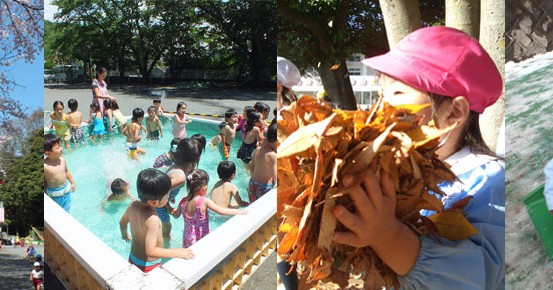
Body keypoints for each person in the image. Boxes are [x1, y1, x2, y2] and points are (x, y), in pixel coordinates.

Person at [329, 26, 504, 289]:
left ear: (454, 112)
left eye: (398, 93)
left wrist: (388, 236)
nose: (380, 107)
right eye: (381, 94)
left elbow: (482, 276)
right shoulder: (397, 173)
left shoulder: (489, 183)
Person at [119, 169, 194, 273]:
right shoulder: (153, 220)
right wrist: (177, 252)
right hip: (149, 266)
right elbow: (151, 251)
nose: (168, 199)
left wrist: (125, 235)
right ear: (154, 203)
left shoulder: (132, 205)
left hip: (132, 258)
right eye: (167, 197)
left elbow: (122, 223)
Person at [173, 169, 247, 247]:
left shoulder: (183, 201)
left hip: (187, 238)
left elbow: (175, 215)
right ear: (204, 189)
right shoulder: (204, 202)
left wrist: (166, 204)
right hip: (201, 239)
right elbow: (222, 211)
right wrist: (239, 212)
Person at [155, 138, 201, 242]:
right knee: (166, 229)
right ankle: (165, 249)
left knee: (163, 227)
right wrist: (169, 207)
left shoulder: (176, 165)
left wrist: (171, 196)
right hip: (159, 205)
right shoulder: (180, 177)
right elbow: (159, 191)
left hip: (160, 202)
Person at [44, 134, 76, 212]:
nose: (61, 149)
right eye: (58, 148)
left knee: (66, 211)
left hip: (66, 191)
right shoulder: (45, 166)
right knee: (56, 213)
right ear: (48, 153)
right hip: (54, 195)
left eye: (61, 146)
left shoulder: (62, 160)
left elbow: (67, 172)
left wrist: (72, 183)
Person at [248, 123, 277, 203]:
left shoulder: (257, 150)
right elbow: (276, 177)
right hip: (264, 187)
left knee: (253, 206)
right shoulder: (274, 156)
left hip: (252, 184)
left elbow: (250, 167)